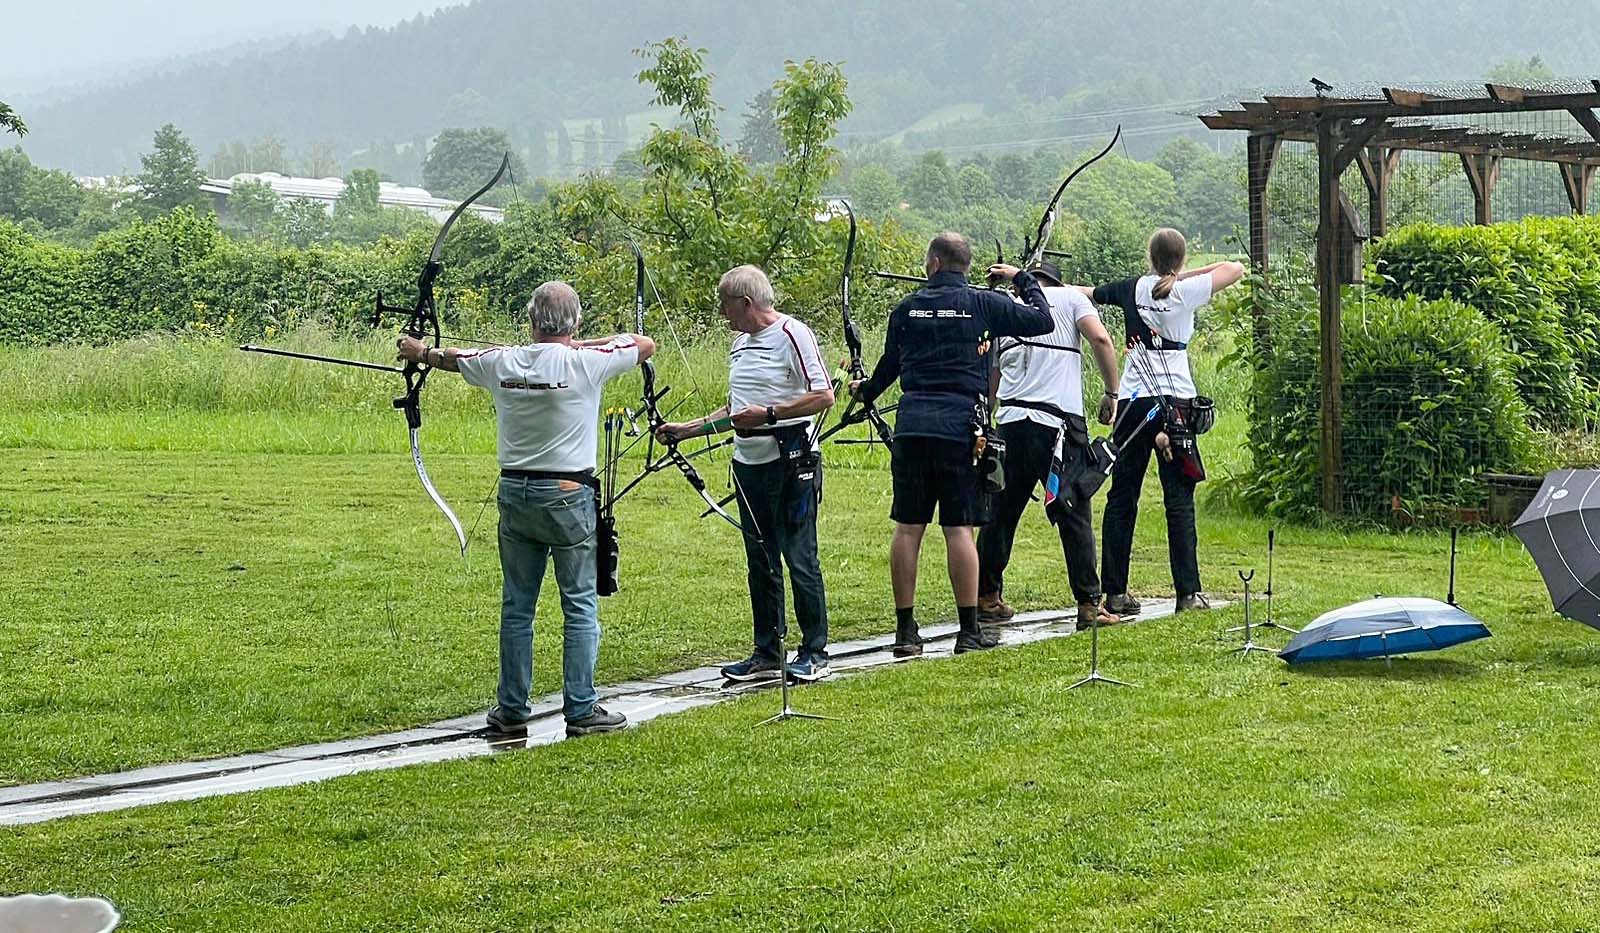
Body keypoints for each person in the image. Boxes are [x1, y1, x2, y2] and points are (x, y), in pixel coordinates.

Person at [396, 281, 655, 739]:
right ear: (575, 323)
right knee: (578, 605)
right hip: (567, 494)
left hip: (516, 495)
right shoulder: (587, 362)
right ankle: (581, 708)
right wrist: (579, 342)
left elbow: (452, 359)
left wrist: (419, 351)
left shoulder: (502, 360)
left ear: (531, 322)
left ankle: (511, 709)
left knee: (518, 606)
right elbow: (642, 344)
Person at [850, 232, 1054, 656]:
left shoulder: (906, 309)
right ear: (964, 265)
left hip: (912, 426)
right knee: (958, 528)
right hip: (961, 428)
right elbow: (1042, 319)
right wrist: (1023, 278)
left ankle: (906, 632)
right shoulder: (983, 303)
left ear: (934, 264)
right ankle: (968, 632)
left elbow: (890, 366)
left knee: (909, 528)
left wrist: (865, 393)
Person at [657, 265, 836, 683]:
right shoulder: (739, 344)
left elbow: (824, 395)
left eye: (726, 305)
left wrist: (770, 414)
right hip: (749, 462)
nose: (723, 314)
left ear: (746, 303)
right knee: (760, 558)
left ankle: (815, 651)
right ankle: (767, 652)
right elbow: (736, 408)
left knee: (799, 555)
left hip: (791, 461)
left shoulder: (794, 334)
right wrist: (689, 429)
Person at [1078, 229, 1244, 616]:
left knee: (1122, 497)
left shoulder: (1133, 288)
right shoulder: (1186, 291)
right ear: (1181, 259)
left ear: (1148, 256)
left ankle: (1115, 593)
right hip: (1176, 404)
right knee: (1179, 501)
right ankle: (1188, 594)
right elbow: (1234, 268)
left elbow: (1088, 292)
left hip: (1135, 403)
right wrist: (1180, 277)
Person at [978, 260, 1123, 628]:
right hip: (1057, 425)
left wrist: (987, 417)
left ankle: (987, 596)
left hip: (1009, 423)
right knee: (1073, 511)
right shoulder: (1071, 298)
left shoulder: (1009, 307)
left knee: (1001, 513)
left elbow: (994, 373)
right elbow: (1101, 338)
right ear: (1055, 281)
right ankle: (1089, 604)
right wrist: (1111, 392)